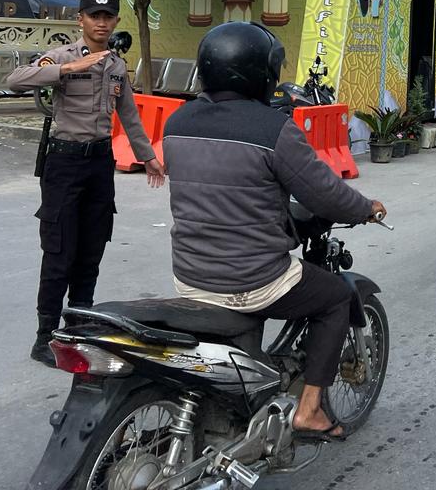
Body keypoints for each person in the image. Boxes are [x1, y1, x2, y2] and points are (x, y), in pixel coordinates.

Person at [162, 22, 386, 441]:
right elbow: (326, 195)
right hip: (251, 279)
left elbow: (224, 189)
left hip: (190, 275)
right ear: (261, 73)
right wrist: (365, 207)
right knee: (337, 296)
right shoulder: (272, 129)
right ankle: (310, 411)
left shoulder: (178, 121)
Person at [6, 0, 165, 367]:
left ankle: (80, 324)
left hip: (98, 163)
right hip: (64, 163)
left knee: (92, 246)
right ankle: (44, 336)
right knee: (60, 250)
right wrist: (66, 71)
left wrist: (148, 157)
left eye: (108, 16)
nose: (101, 22)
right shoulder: (61, 57)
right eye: (94, 16)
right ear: (81, 19)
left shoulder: (115, 66)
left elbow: (129, 114)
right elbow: (16, 79)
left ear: (114, 22)